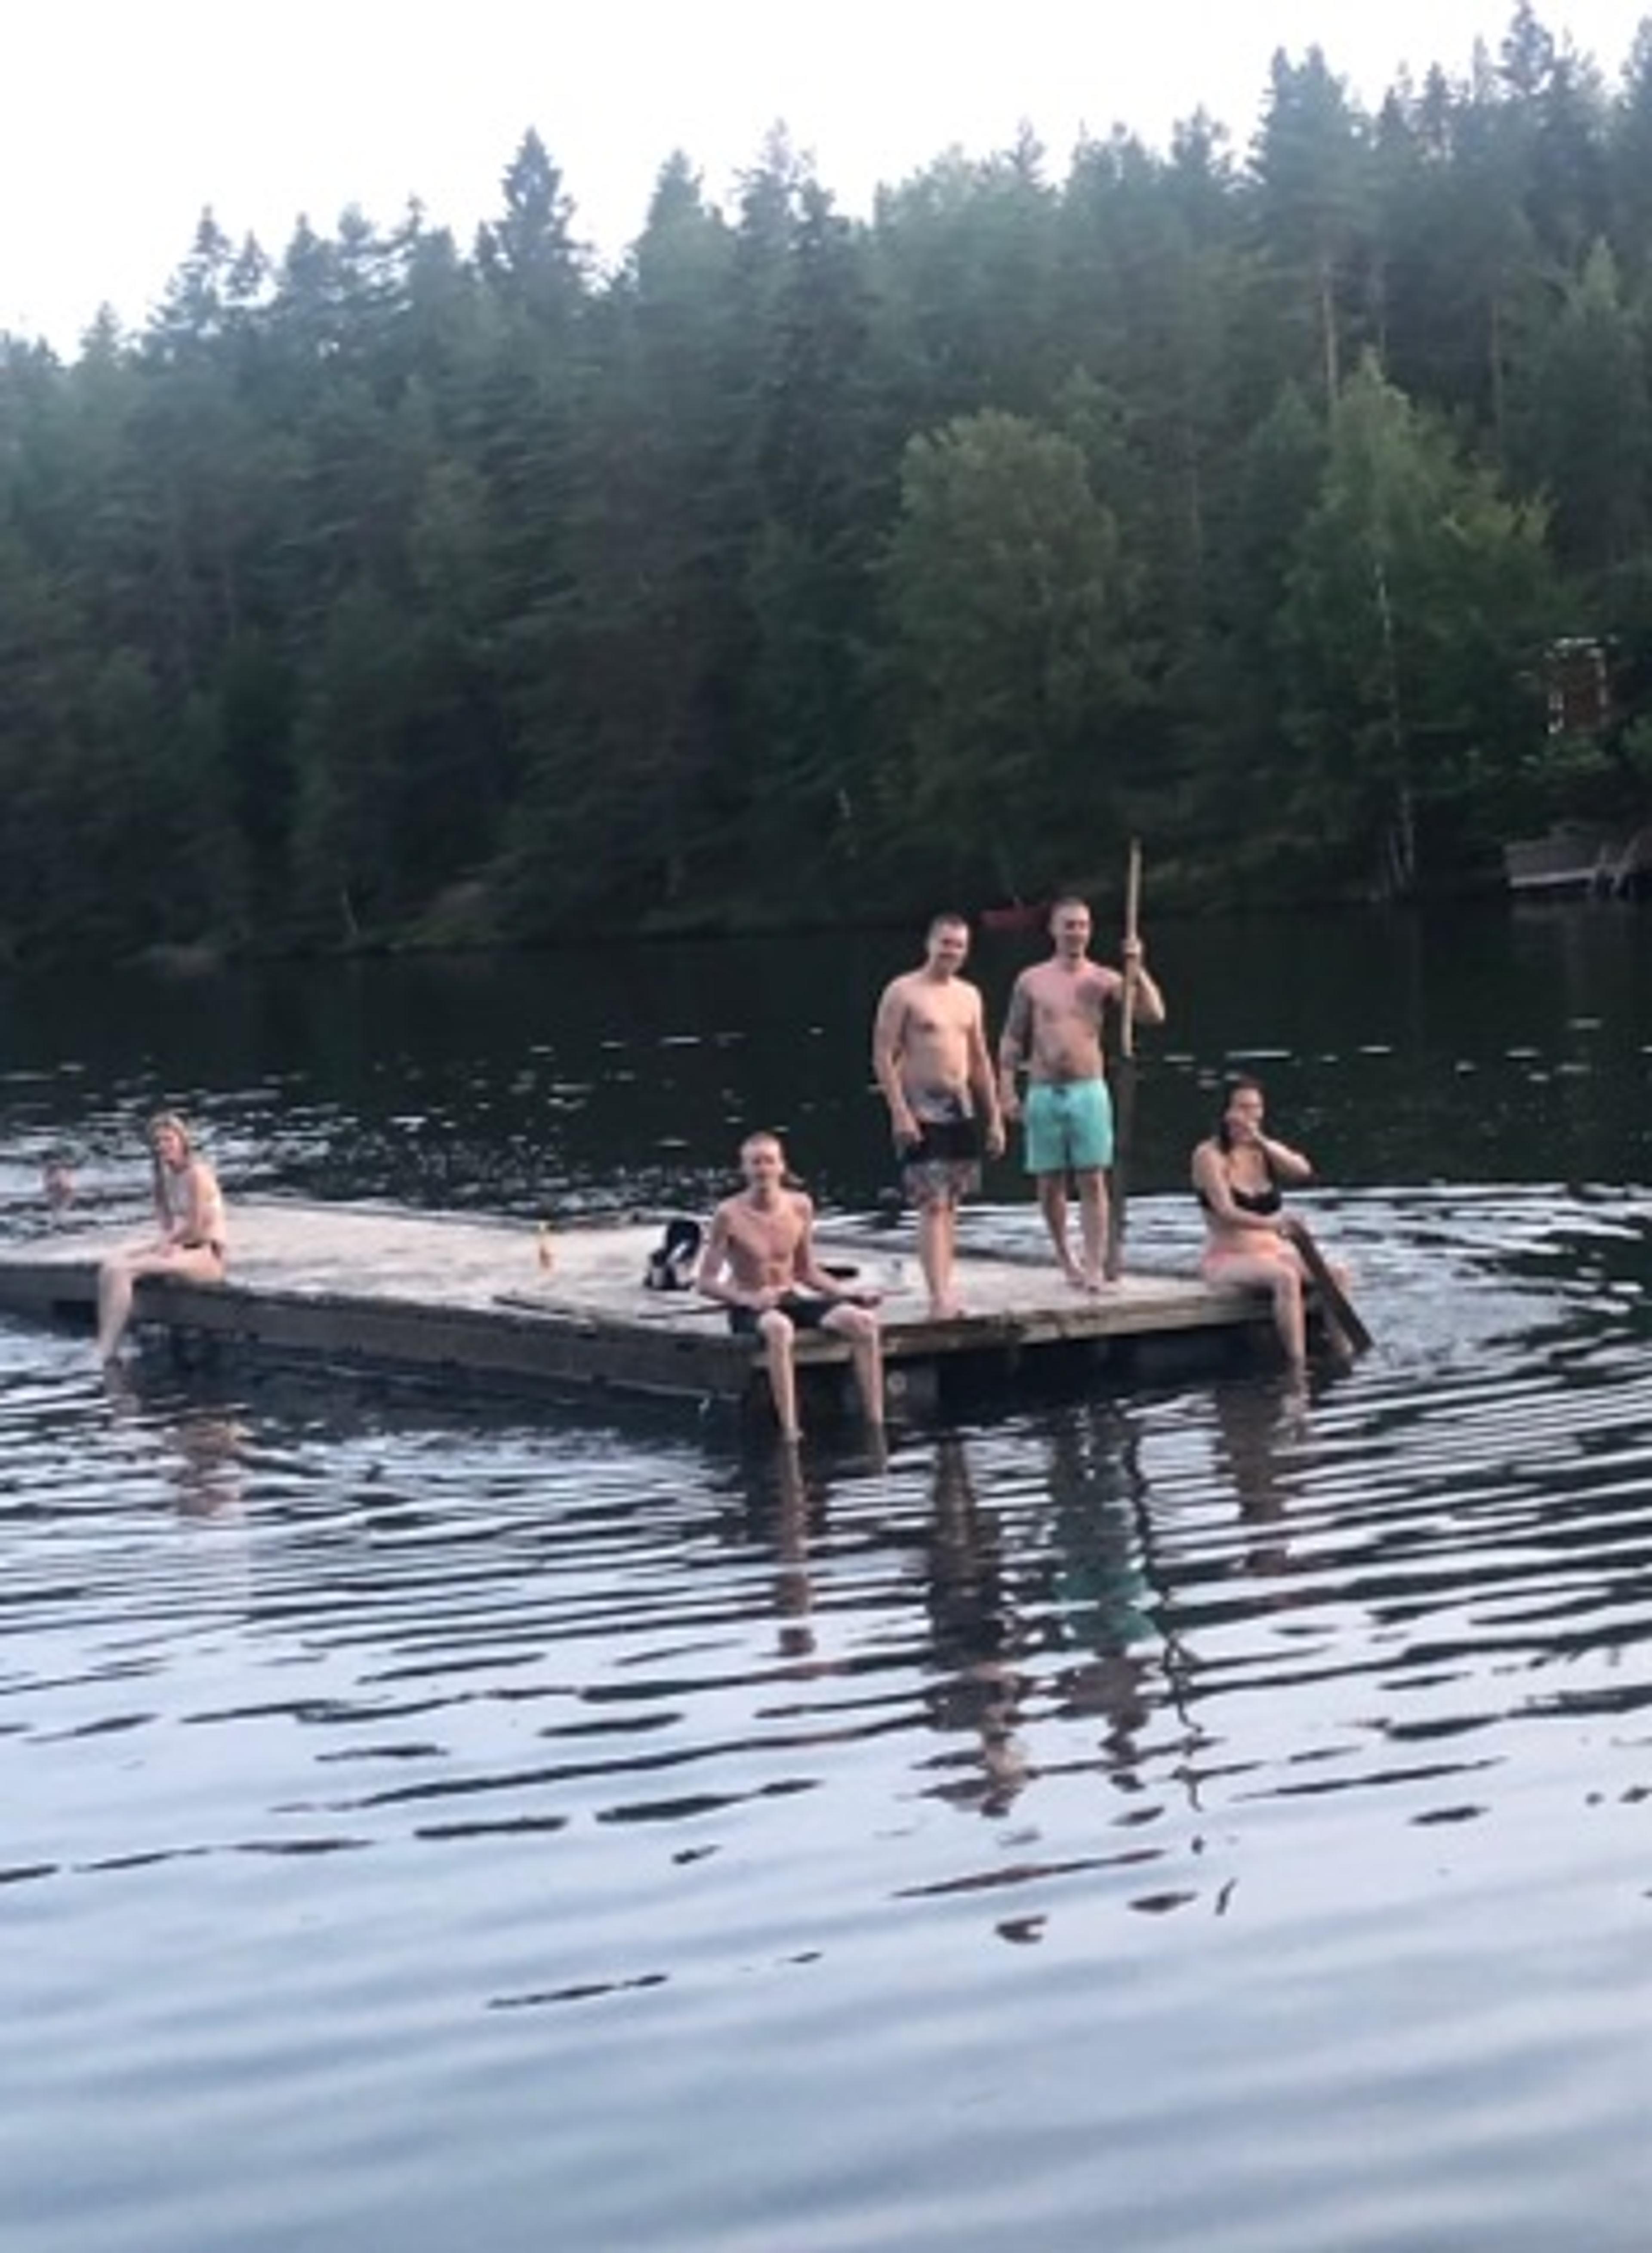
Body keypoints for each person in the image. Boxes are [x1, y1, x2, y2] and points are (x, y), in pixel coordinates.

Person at [998, 893, 1165, 1291]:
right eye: (1070, 925)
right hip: (1044, 1089)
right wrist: (1006, 1089)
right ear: (1054, 929)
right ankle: (1065, 1257)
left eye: (1083, 926)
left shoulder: (1102, 979)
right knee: (1049, 1182)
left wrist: (1137, 969)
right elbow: (1013, 1036)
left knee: (1092, 1178)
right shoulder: (1032, 980)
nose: (1077, 933)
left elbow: (1153, 1014)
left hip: (1088, 1089)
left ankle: (1093, 1264)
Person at [697, 1131, 885, 1444]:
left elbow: (806, 1270)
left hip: (791, 1295)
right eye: (755, 1163)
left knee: (864, 1323)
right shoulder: (729, 1214)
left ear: (781, 1167)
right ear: (744, 1169)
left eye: (769, 1162)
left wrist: (847, 1294)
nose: (763, 1170)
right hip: (751, 1303)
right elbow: (705, 1282)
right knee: (780, 1328)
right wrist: (747, 1298)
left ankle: (875, 1420)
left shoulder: (800, 1206)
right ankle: (790, 1428)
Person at [871, 911, 1005, 1319]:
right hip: (919, 1104)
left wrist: (994, 1117)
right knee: (931, 1202)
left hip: (960, 1104)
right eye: (945, 943)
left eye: (959, 945)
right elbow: (882, 1054)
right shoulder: (904, 991)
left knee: (952, 1203)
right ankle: (937, 1296)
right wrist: (899, 1112)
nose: (951, 952)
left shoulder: (969, 995)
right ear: (929, 944)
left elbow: (980, 1059)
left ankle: (946, 1284)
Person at [1192, 1075, 1342, 1369]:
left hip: (1273, 1251)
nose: (1249, 1116)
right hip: (1229, 1256)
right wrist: (1273, 1223)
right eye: (1242, 1108)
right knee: (1286, 1278)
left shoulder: (1264, 1151)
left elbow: (1303, 1171)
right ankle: (1297, 1365)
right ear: (1226, 1113)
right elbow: (1226, 1211)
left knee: (1337, 1274)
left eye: (1255, 1109)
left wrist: (1261, 1141)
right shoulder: (1208, 1155)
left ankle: (1342, 1350)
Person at [95, 1112, 227, 1361]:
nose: (163, 1146)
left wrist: (169, 1244)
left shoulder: (197, 1174)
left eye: (168, 1140)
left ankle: (108, 1350)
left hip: (207, 1253)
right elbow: (167, 1224)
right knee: (111, 1265)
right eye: (158, 1142)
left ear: (182, 1141)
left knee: (125, 1271)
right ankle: (106, 1338)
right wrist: (166, 1244)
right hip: (182, 1247)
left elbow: (197, 1226)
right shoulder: (163, 1177)